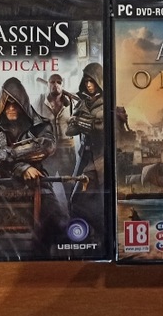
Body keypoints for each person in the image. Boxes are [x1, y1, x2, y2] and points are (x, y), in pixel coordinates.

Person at [0, 77, 67, 249]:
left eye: (16, 103)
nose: (11, 108)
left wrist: (7, 153)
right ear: (1, 103)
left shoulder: (41, 125)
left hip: (35, 182)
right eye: (7, 103)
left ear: (23, 104)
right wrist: (21, 167)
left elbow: (46, 146)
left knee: (60, 225)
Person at [67, 64, 106, 230]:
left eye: (92, 81)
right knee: (74, 197)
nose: (89, 85)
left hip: (100, 158)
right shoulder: (83, 103)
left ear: (99, 81)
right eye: (86, 81)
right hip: (84, 156)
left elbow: (98, 127)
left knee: (88, 199)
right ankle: (86, 231)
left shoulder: (107, 103)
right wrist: (78, 120)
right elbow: (70, 130)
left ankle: (96, 231)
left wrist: (80, 121)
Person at [37, 73, 75, 181]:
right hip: (47, 151)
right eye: (52, 82)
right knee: (46, 183)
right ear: (48, 84)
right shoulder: (40, 101)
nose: (56, 84)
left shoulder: (71, 102)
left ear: (62, 85)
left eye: (59, 82)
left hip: (67, 152)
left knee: (69, 183)